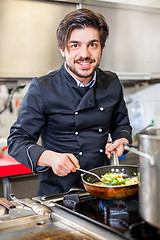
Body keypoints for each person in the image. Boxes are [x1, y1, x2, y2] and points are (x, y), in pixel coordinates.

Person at [7, 8, 132, 196]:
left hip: (102, 189)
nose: (85, 54)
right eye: (75, 45)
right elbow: (16, 141)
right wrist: (49, 158)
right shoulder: (42, 87)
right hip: (57, 196)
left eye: (92, 45)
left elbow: (121, 125)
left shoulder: (111, 82)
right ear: (62, 49)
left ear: (102, 48)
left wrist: (121, 140)